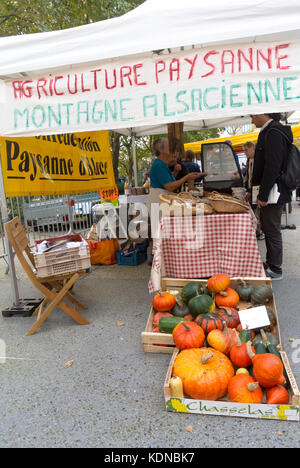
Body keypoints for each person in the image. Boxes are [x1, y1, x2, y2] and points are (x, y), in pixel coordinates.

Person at [251, 112, 293, 280]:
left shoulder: (273, 132)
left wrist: (262, 194)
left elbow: (272, 167)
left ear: (263, 113)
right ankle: (271, 263)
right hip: (272, 191)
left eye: (252, 115)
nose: (251, 119)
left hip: (274, 191)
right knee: (269, 228)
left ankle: (276, 269)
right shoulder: (271, 131)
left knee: (272, 229)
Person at [243, 141, 264, 241]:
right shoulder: (248, 160)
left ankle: (260, 231)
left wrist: (251, 191)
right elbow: (249, 175)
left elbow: (257, 177)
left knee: (258, 211)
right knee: (253, 210)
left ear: (252, 148)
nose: (245, 152)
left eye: (246, 150)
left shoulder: (258, 159)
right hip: (251, 188)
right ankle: (256, 230)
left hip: (257, 189)